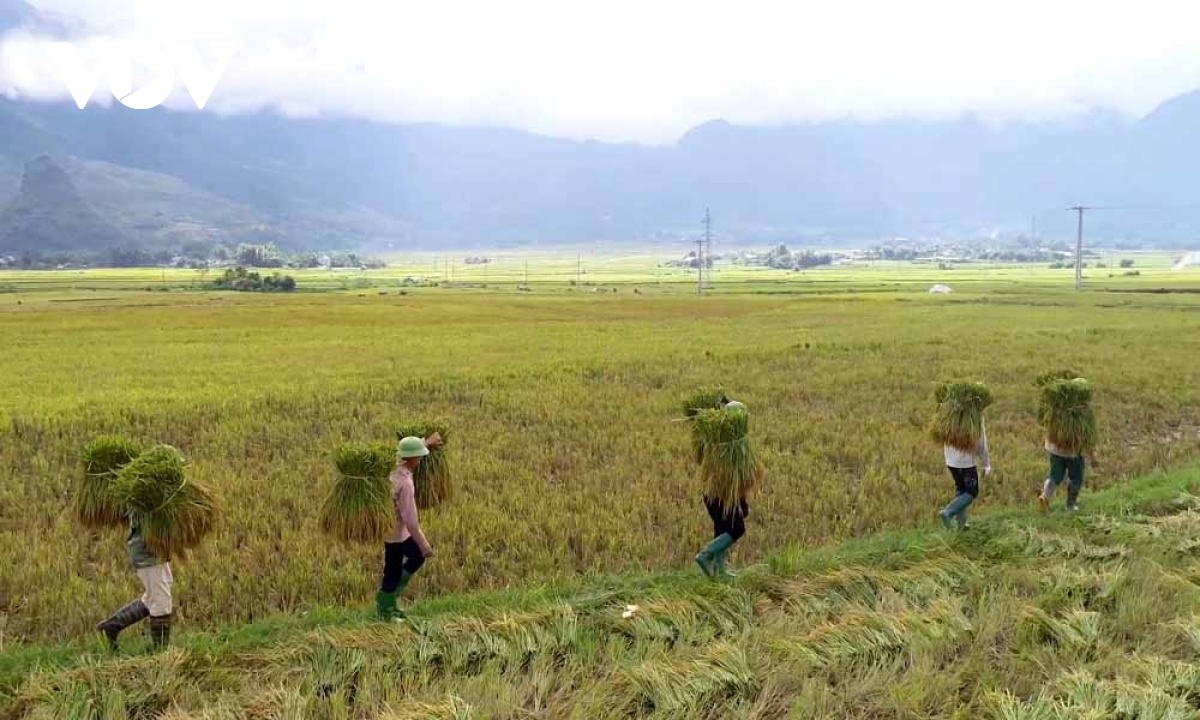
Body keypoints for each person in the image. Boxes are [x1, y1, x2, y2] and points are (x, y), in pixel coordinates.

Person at [376, 432, 442, 621]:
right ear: (413, 459)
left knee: (396, 567)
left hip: (390, 530)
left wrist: (426, 442)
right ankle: (386, 608)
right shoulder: (405, 483)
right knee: (404, 563)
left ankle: (389, 603)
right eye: (420, 456)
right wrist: (424, 544)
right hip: (397, 533)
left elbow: (404, 452)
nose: (421, 459)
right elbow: (411, 520)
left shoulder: (392, 467)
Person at [96, 520, 173, 651]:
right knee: (160, 601)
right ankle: (161, 654)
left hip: (155, 550)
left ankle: (110, 627)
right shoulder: (145, 504)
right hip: (146, 551)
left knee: (153, 597)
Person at [695, 399, 750, 579]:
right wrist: (741, 500)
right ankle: (705, 556)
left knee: (721, 530)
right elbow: (735, 477)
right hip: (723, 495)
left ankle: (720, 571)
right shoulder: (733, 446)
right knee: (736, 529)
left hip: (711, 494)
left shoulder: (716, 439)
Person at [940, 418, 991, 530]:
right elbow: (981, 443)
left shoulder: (949, 410)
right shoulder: (974, 415)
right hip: (965, 462)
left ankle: (961, 524)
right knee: (971, 491)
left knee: (961, 488)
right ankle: (948, 512)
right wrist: (986, 464)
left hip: (950, 460)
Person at [1039, 440, 1094, 513]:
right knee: (1076, 478)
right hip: (1073, 451)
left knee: (1055, 476)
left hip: (1055, 449)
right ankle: (1070, 505)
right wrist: (1091, 454)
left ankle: (1045, 495)